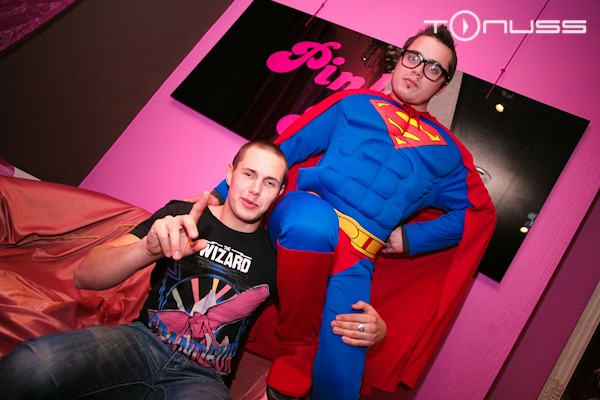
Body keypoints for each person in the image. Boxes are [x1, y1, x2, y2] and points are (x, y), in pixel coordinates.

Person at [214, 25, 496, 400]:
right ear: (399, 59)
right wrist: (216, 197)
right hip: (304, 214)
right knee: (313, 225)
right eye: (413, 57)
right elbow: (285, 148)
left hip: (356, 258)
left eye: (433, 68)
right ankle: (298, 351)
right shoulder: (353, 103)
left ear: (442, 85)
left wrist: (412, 238)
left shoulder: (450, 155)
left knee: (340, 381)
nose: (418, 70)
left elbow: (478, 214)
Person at [0, 140, 384, 400]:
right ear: (229, 174)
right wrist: (147, 248)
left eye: (269, 182)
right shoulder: (181, 215)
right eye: (249, 174)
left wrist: (375, 330)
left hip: (203, 379)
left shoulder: (279, 255)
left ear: (280, 193)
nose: (255, 190)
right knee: (32, 365)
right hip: (140, 343)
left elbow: (311, 322)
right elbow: (86, 276)